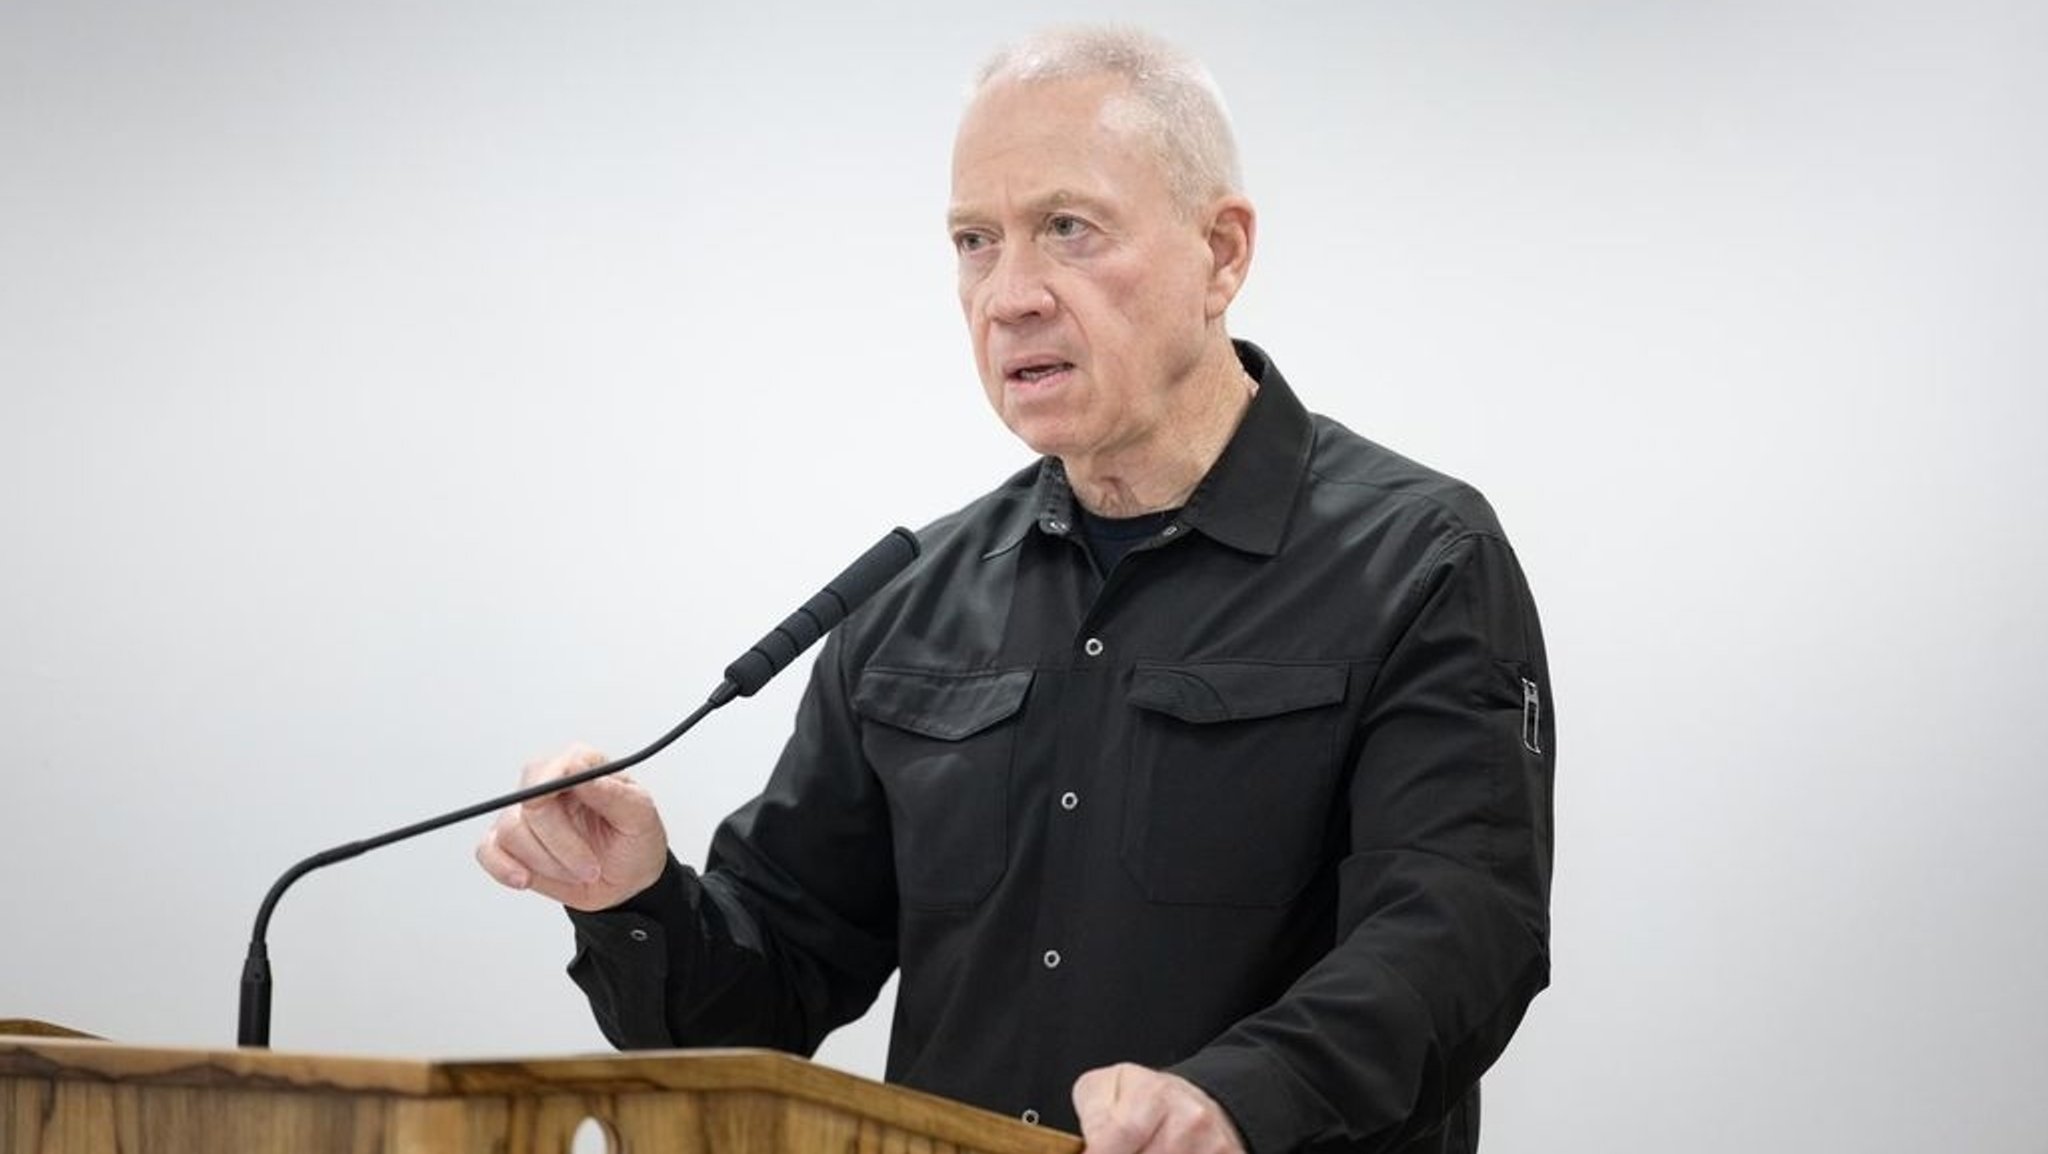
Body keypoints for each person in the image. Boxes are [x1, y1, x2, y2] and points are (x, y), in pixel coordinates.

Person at [477, 26, 1554, 1154]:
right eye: (973, 241)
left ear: (1221, 252)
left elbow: (1456, 933)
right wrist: (636, 898)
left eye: (1067, 229)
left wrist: (1240, 1095)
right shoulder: (909, 601)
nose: (1008, 295)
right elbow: (766, 995)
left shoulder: (1417, 558)